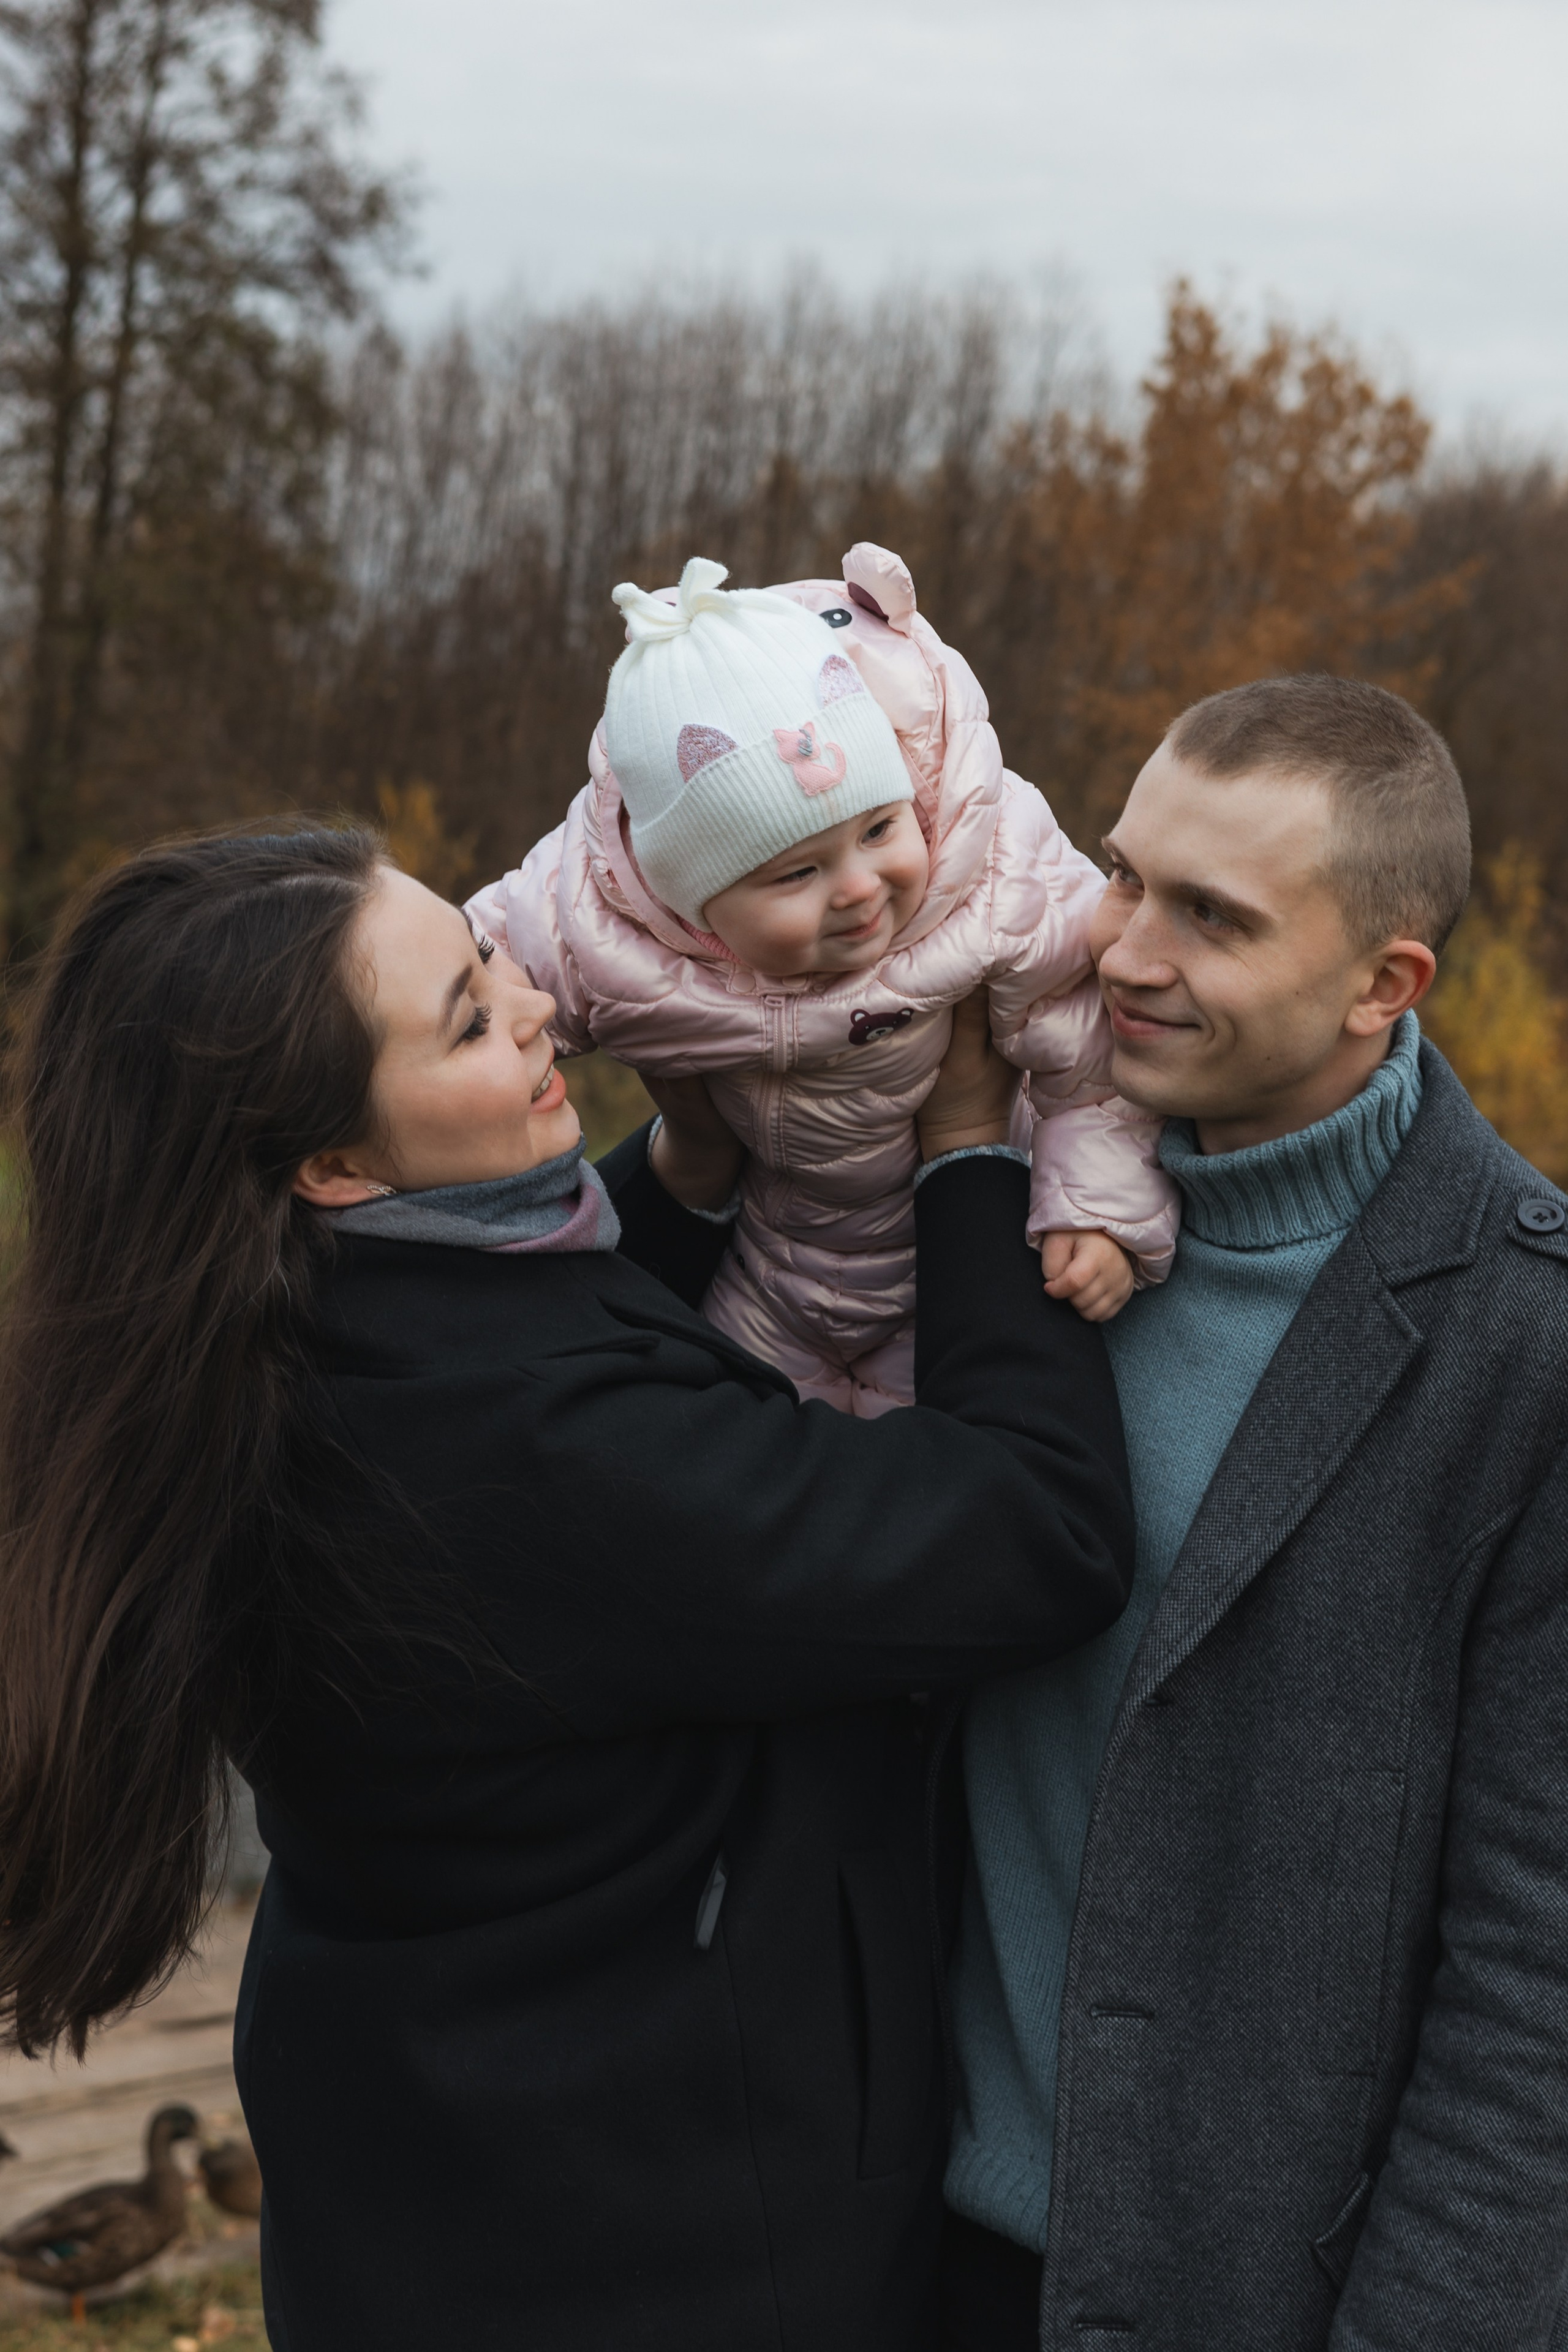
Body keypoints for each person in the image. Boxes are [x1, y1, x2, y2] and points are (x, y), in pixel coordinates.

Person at [0, 827, 1136, 2352]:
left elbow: (513, 1363)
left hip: (426, 2180)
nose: (531, 1004)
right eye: (466, 1021)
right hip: (670, 2249)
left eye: (481, 956)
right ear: (329, 1165)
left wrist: (688, 1170)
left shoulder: (242, 1348)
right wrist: (976, 1144)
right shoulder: (527, 1457)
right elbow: (1032, 1532)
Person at [941, 674, 1568, 2351]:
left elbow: (1540, 1978)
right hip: (884, 2242)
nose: (1128, 951)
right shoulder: (978, 1185)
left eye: (1212, 918)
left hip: (1245, 2300)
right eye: (1127, 875)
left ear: (1388, 984)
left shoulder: (1530, 1346)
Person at [470, 544, 1178, 1412]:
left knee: (951, 1477)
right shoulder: (607, 927)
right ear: (692, 898)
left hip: (966, 1242)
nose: (857, 888)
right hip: (768, 1267)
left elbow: (1091, 1046)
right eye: (795, 875)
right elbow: (463, 981)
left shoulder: (990, 878)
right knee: (758, 1475)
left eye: (880, 829)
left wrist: (1098, 1210)